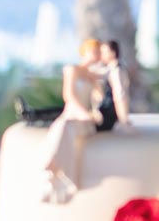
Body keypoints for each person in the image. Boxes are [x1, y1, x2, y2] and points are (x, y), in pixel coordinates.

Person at [43, 37, 129, 202]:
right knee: (62, 126)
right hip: (74, 113)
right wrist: (84, 114)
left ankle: (57, 172)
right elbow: (69, 95)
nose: (96, 55)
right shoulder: (72, 69)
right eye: (93, 51)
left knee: (68, 128)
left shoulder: (96, 75)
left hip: (87, 119)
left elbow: (104, 97)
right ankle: (52, 169)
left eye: (98, 52)